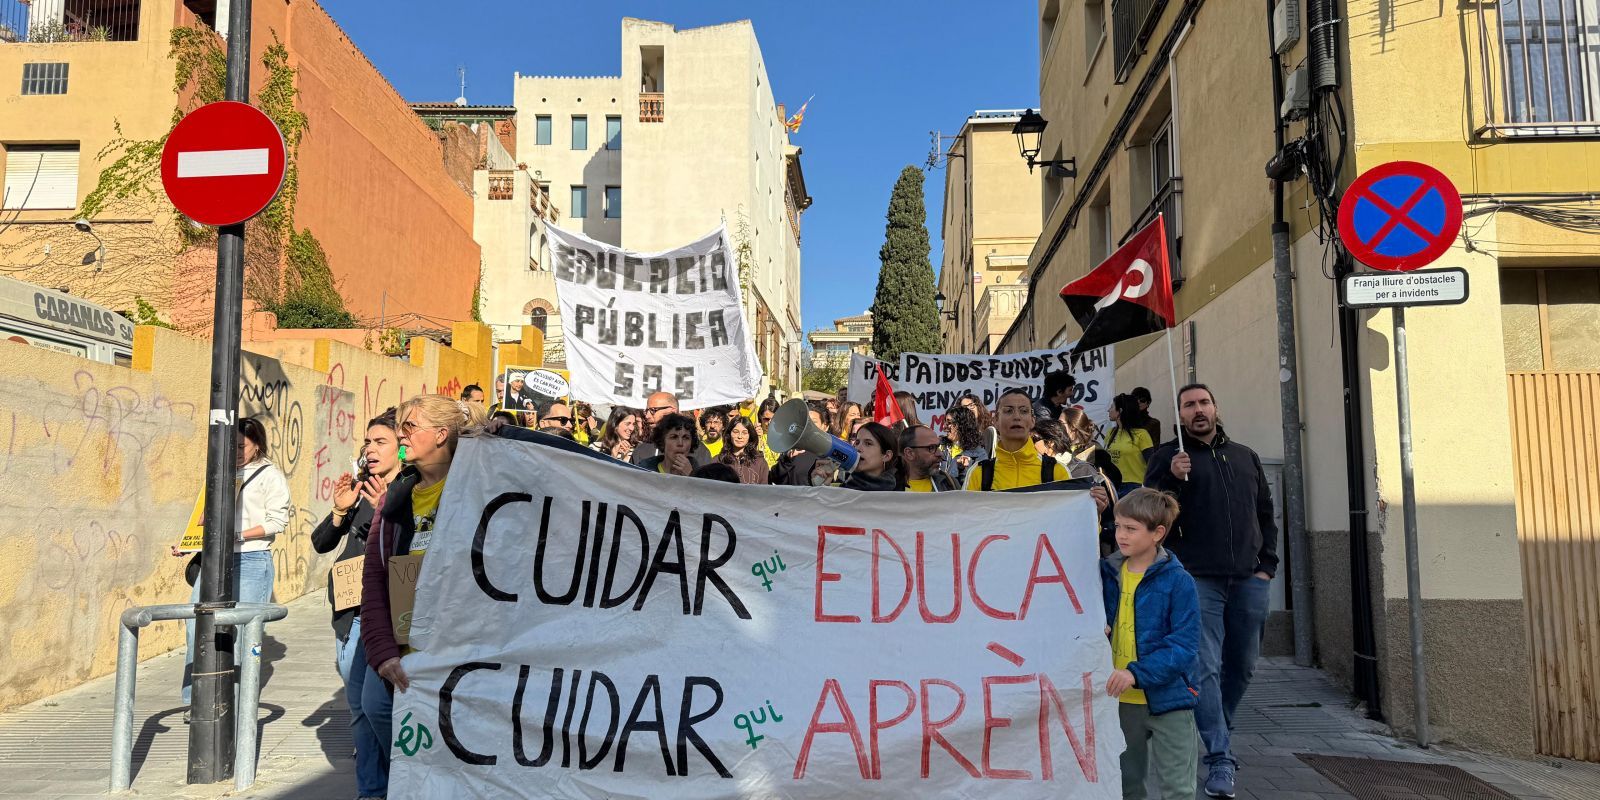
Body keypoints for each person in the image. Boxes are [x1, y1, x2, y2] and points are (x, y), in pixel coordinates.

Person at [1143, 384, 1278, 799]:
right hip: (1196, 579)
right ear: (1179, 415)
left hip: (1248, 579)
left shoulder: (1244, 456)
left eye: (1204, 403)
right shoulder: (1167, 457)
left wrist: (1266, 567)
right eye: (1189, 405)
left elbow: (1265, 515)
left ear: (1215, 408)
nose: (1198, 410)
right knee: (1204, 667)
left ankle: (1219, 725)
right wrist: (1173, 479)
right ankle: (1219, 756)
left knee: (1244, 664)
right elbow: (1149, 514)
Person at [362, 395, 489, 773]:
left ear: (441, 434)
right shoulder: (394, 500)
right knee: (377, 709)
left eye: (409, 427)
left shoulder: (483, 486)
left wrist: (505, 436)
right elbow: (375, 579)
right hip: (405, 650)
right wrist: (383, 650)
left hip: (463, 650)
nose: (401, 435)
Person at [311, 411, 400, 800]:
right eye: (368, 441)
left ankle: (399, 773)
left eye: (380, 442)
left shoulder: (412, 489)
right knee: (358, 706)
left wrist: (387, 507)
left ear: (402, 447)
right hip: (352, 613)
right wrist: (341, 509)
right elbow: (321, 543)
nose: (371, 448)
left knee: (376, 705)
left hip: (391, 614)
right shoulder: (362, 488)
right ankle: (372, 790)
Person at [179, 416, 290, 708]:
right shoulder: (221, 472)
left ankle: (235, 702)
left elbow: (277, 522)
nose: (237, 450)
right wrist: (189, 542)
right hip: (215, 559)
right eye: (233, 445)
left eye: (243, 445)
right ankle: (196, 700)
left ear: (258, 445)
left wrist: (237, 536)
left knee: (241, 633)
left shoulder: (270, 475)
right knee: (196, 625)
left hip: (252, 559)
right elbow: (206, 519)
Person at [1102, 488, 1201, 800]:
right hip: (1119, 701)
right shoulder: (1105, 574)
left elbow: (1184, 646)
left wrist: (1136, 673)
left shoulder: (1179, 581)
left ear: (1158, 532)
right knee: (1126, 788)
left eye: (1131, 528)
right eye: (1117, 526)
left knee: (1179, 789)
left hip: (1169, 699)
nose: (1121, 535)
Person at [965, 389, 1111, 516]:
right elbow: (965, 525)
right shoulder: (979, 474)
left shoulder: (1057, 472)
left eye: (1024, 411)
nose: (1017, 416)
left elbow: (1070, 529)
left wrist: (1092, 513)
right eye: (1008, 410)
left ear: (1032, 420)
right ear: (995, 420)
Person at [812, 421, 899, 491]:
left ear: (886, 456)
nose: (858, 448)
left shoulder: (899, 494)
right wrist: (821, 487)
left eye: (868, 444)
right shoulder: (844, 487)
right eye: (857, 443)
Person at [630, 392, 710, 466]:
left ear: (672, 411)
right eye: (646, 411)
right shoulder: (642, 450)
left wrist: (690, 474)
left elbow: (704, 480)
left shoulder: (699, 451)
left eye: (653, 410)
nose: (647, 416)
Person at [768, 403, 830, 486]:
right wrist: (786, 461)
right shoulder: (792, 447)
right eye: (806, 422)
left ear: (825, 426)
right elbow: (774, 478)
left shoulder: (829, 453)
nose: (809, 426)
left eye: (814, 422)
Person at [1107, 393, 1156, 497]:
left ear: (1120, 411)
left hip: (1135, 486)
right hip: (1112, 485)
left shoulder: (1141, 434)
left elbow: (1152, 464)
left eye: (1112, 407)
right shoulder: (1110, 433)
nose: (1108, 410)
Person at [940, 404, 988, 487]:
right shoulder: (938, 446)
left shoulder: (979, 454)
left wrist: (963, 469)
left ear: (962, 425)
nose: (944, 427)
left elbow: (975, 486)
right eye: (945, 422)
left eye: (949, 423)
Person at [899, 424, 956, 492]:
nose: (940, 454)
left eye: (938, 446)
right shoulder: (887, 488)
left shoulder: (948, 483)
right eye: (931, 448)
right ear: (909, 453)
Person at [718, 417, 769, 484]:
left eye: (744, 433)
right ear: (729, 434)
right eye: (736, 432)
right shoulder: (718, 460)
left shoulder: (760, 462)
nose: (740, 436)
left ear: (750, 436)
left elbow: (764, 491)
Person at [757, 397, 782, 468]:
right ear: (760, 417)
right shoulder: (754, 434)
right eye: (766, 419)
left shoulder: (784, 435)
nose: (770, 423)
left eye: (774, 419)